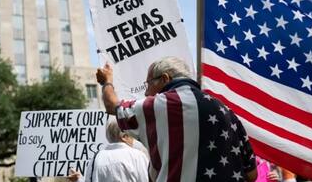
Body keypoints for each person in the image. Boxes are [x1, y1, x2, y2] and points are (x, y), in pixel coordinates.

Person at [96, 56, 257, 182]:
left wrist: (107, 82)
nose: (146, 93)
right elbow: (252, 174)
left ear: (165, 78)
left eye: (148, 84)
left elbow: (112, 107)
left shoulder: (159, 105)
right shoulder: (227, 111)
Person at [67, 119, 149, 182]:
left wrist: (79, 179)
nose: (134, 139)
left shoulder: (96, 158)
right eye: (132, 135)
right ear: (124, 137)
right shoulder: (138, 156)